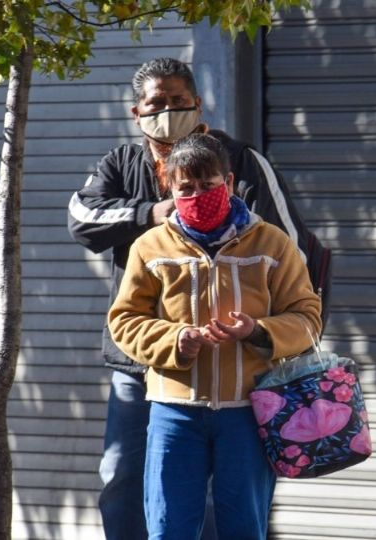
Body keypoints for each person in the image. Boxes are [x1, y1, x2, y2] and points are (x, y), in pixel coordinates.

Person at [67, 57, 330, 539]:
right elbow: (83, 219)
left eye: (177, 101)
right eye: (156, 103)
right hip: (148, 373)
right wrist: (151, 213)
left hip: (244, 387)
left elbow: (298, 266)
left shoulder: (243, 162)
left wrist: (269, 337)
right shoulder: (123, 167)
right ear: (137, 112)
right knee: (130, 481)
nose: (167, 110)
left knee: (235, 501)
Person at [108, 133, 321, 539]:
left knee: (245, 526)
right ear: (169, 186)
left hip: (249, 410)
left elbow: (308, 316)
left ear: (229, 180)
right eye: (186, 187)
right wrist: (174, 341)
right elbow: (125, 320)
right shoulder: (150, 247)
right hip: (174, 411)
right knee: (169, 527)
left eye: (208, 185)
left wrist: (259, 330)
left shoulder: (272, 243)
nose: (197, 195)